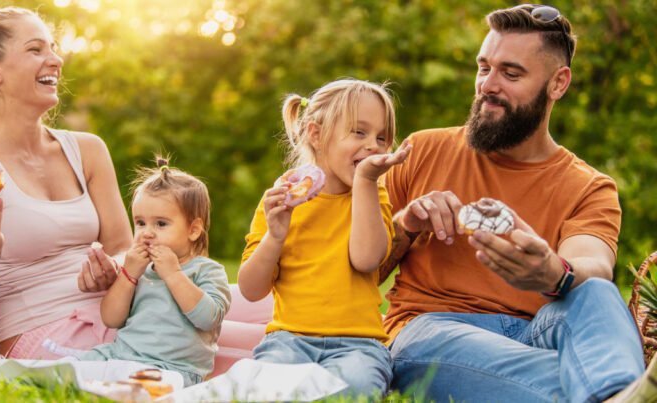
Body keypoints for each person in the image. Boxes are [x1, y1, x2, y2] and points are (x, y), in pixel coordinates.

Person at [380, 5, 651, 402]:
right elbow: (354, 271)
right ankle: (618, 393)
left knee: (596, 291)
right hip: (430, 330)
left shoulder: (588, 186)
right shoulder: (420, 150)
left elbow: (593, 263)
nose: (488, 84)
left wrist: (553, 272)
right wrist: (406, 225)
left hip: (537, 331)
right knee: (580, 375)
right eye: (483, 67)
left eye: (511, 73)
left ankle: (609, 392)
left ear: (558, 84)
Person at [0, 7, 131, 359]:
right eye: (36, 49)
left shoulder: (88, 150)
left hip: (121, 313)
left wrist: (113, 268)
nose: (55, 59)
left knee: (240, 311)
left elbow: (122, 244)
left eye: (52, 48)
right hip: (42, 334)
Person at [238, 78, 412, 397]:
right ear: (317, 134)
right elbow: (251, 289)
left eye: (382, 137)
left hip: (359, 344)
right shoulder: (280, 201)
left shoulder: (374, 196)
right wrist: (274, 237)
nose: (373, 144)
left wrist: (365, 182)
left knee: (355, 387)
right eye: (359, 132)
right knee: (266, 389)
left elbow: (366, 259)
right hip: (289, 339)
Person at [51, 158, 231, 386]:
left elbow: (208, 319)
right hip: (121, 355)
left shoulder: (207, 271)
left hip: (173, 369)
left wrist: (174, 275)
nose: (147, 233)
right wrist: (128, 274)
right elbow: (112, 319)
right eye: (141, 223)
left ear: (193, 230)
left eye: (161, 224)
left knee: (144, 386)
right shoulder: (142, 270)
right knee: (75, 369)